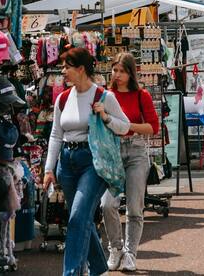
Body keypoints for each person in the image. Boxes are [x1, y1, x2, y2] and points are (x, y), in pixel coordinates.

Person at [41, 48, 132, 276]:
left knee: (78, 217)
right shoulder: (62, 98)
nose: (63, 72)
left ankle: (71, 273)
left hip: (93, 161)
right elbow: (55, 135)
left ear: (80, 69)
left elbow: (125, 126)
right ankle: (99, 267)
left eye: (66, 67)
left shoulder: (103, 96)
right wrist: (49, 169)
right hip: (68, 163)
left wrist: (106, 117)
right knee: (81, 218)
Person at [100, 53, 160, 272]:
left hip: (135, 151)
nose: (117, 75)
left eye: (122, 71)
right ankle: (115, 247)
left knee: (135, 207)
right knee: (107, 204)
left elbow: (153, 127)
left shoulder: (140, 95)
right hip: (113, 151)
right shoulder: (106, 95)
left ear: (130, 73)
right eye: (115, 70)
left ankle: (130, 253)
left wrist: (127, 126)